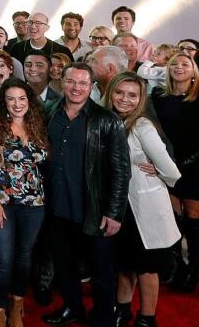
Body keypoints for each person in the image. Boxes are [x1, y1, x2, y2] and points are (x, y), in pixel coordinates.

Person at [43, 63, 130, 327]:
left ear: (91, 86)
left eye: (82, 83)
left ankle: (103, 317)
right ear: (62, 82)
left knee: (101, 270)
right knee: (65, 264)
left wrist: (114, 213)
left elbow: (120, 170)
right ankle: (73, 307)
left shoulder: (106, 120)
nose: (76, 88)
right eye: (71, 82)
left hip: (93, 209)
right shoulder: (48, 113)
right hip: (56, 207)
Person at [107, 72, 181, 327]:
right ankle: (123, 308)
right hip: (120, 207)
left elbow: (172, 171)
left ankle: (147, 317)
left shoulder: (142, 126)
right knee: (125, 263)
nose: (125, 99)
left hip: (145, 207)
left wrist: (156, 170)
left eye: (132, 95)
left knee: (147, 267)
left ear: (140, 100)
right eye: (120, 93)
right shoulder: (108, 120)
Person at [0, 79, 49, 327]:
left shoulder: (36, 123)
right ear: (3, 101)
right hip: (1, 200)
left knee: (24, 256)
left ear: (29, 100)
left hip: (34, 201)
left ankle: (17, 304)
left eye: (21, 99)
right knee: (3, 258)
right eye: (11, 99)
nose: (17, 104)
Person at [149, 53, 199, 292]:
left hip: (196, 168)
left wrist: (179, 165)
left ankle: (194, 268)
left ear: (194, 71)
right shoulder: (157, 95)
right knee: (172, 219)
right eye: (174, 64)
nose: (178, 67)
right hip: (164, 165)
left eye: (184, 64)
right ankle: (175, 263)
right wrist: (163, 163)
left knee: (194, 222)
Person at [8, 12, 72, 66]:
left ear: (47, 28)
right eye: (30, 22)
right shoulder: (16, 49)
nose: (33, 26)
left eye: (38, 23)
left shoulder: (62, 51)